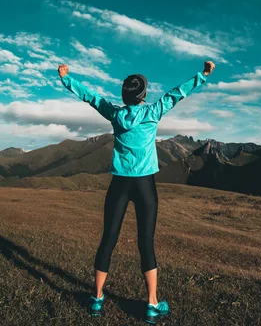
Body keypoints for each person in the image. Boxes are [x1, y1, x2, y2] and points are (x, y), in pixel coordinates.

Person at [58, 60, 215, 324]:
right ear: (143, 95)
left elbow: (91, 97)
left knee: (108, 238)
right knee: (146, 243)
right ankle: (152, 304)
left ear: (124, 95)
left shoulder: (116, 115)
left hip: (119, 184)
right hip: (144, 185)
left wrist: (66, 79)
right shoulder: (154, 111)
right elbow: (177, 93)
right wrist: (204, 75)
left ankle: (96, 298)